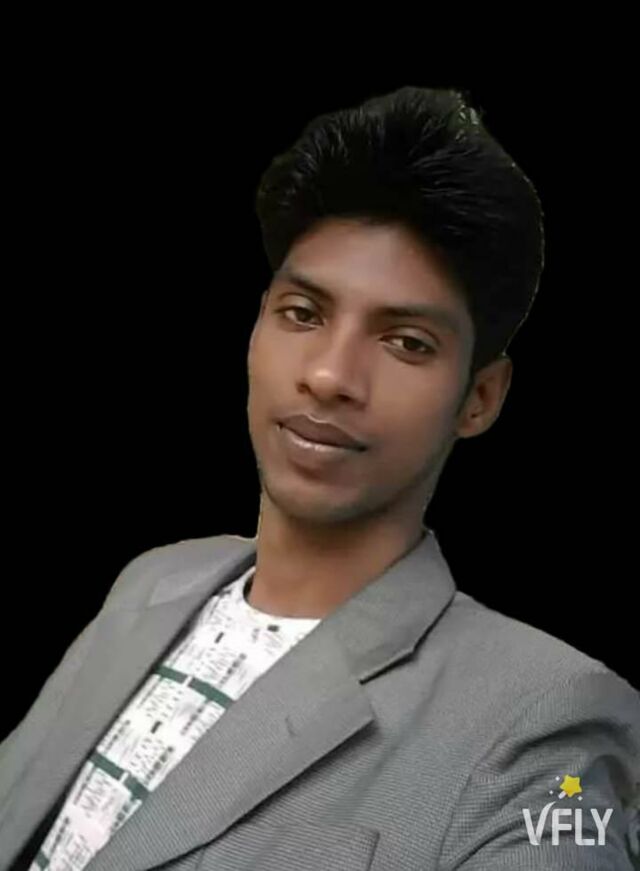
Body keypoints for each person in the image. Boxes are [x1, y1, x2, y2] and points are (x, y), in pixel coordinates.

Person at [1, 85, 638, 871]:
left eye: (406, 342)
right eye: (303, 314)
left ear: (480, 396)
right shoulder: (152, 580)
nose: (331, 375)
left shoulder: (547, 728)